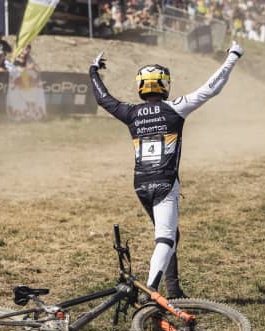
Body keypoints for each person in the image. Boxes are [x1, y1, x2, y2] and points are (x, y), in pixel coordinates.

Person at [88, 41, 244, 299]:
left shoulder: (131, 113)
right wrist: (233, 57)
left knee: (171, 234)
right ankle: (151, 292)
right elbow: (211, 88)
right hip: (165, 184)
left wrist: (94, 71)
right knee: (166, 239)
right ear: (165, 84)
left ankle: (174, 288)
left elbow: (103, 99)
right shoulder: (176, 107)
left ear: (140, 86)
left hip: (140, 184)